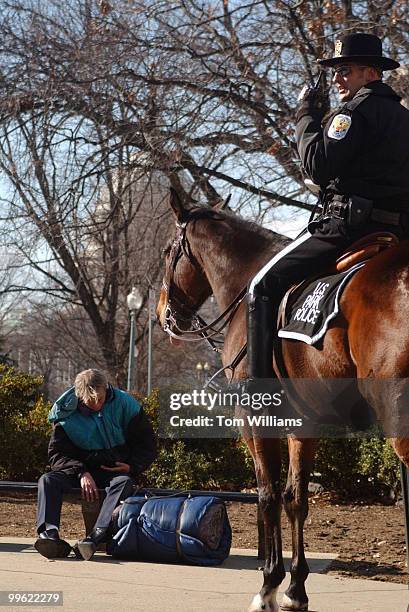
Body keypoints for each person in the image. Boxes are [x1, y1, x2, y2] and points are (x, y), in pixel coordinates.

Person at [247, 32, 409, 382]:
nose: (337, 79)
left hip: (346, 228)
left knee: (260, 286)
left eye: (345, 70)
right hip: (397, 231)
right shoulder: (403, 117)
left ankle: (257, 391)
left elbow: (318, 164)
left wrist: (305, 116)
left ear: (371, 73)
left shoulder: (353, 113)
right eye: (336, 71)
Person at [35, 369, 157, 560]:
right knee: (47, 481)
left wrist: (132, 466)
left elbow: (147, 444)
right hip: (79, 471)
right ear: (79, 396)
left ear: (106, 389)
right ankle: (49, 535)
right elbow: (57, 454)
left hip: (115, 471)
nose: (97, 404)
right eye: (91, 401)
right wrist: (81, 472)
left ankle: (96, 536)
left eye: (100, 399)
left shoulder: (125, 404)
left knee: (124, 482)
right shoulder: (64, 414)